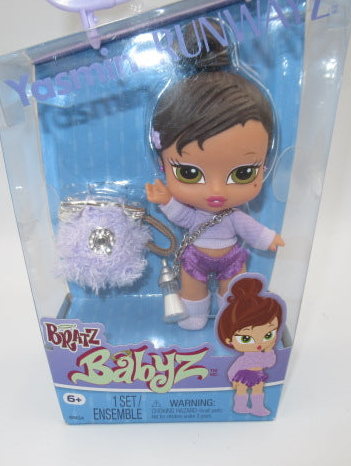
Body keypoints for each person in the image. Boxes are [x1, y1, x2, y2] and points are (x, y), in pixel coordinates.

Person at [145, 21, 284, 330]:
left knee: (234, 289)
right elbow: (183, 216)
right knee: (191, 286)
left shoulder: (233, 217)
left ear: (264, 163)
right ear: (162, 162)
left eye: (243, 173)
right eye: (190, 173)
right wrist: (166, 200)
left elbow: (250, 229)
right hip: (195, 256)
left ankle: (230, 319)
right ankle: (193, 315)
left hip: (231, 257)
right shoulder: (200, 216)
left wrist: (269, 239)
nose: (216, 191)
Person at [216, 275, 284, 416]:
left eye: (268, 335)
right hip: (243, 374)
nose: (259, 343)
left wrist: (269, 350)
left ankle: (258, 407)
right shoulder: (244, 359)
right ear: (229, 340)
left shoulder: (263, 355)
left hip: (258, 374)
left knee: (258, 390)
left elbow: (270, 363)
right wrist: (232, 378)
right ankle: (240, 406)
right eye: (246, 338)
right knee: (241, 390)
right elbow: (235, 367)